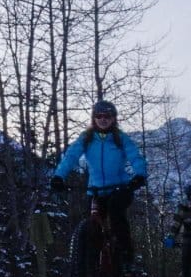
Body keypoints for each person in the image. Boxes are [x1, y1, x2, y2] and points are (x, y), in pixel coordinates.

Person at [48, 99, 148, 257]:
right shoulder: (86, 138)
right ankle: (90, 266)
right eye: (99, 115)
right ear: (93, 118)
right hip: (96, 190)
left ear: (113, 118)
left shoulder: (120, 138)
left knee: (116, 214)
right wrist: (59, 177)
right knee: (91, 227)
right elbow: (71, 156)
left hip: (120, 188)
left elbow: (135, 157)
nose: (103, 119)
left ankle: (126, 258)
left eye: (107, 115)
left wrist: (140, 175)